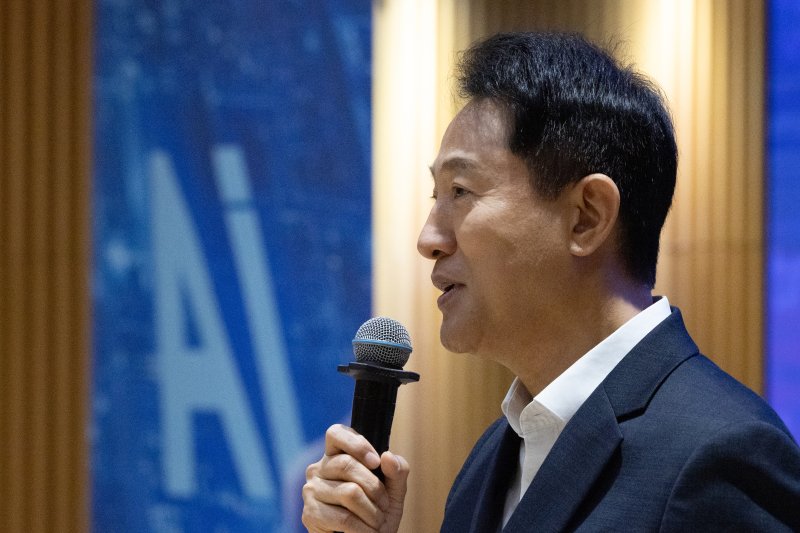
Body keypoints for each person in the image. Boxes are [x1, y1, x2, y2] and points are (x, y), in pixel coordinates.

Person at [301, 31, 800, 532]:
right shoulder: (490, 459)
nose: (428, 239)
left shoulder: (720, 455)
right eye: (436, 197)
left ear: (586, 217)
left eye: (461, 191)